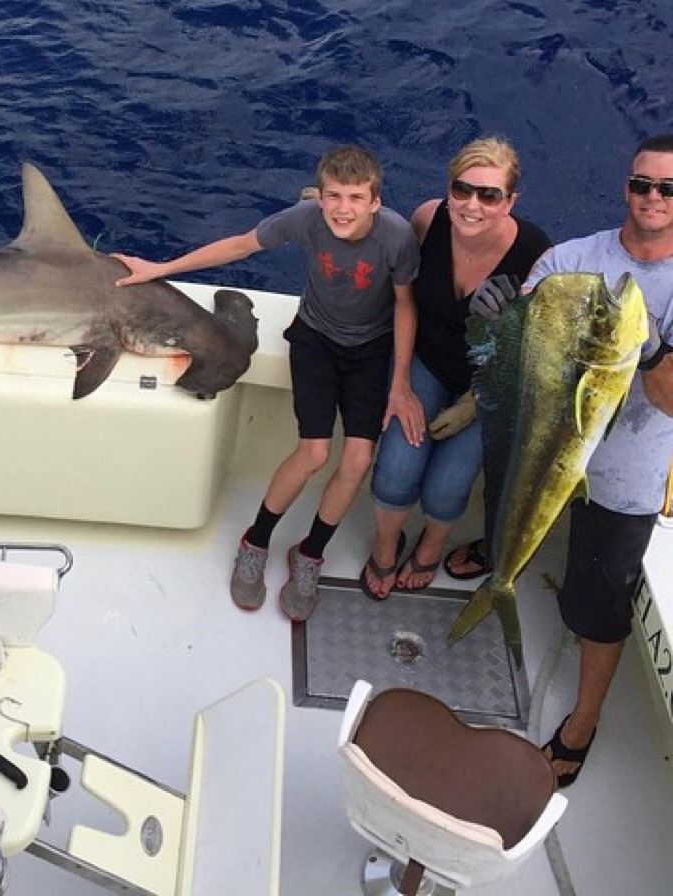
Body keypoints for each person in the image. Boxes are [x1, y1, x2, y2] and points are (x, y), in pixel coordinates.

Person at [114, 145, 424, 621]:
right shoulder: (305, 219)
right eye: (334, 196)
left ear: (375, 202)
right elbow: (241, 245)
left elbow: (405, 304)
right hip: (315, 340)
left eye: (356, 198)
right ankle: (255, 541)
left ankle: (310, 553)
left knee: (358, 460)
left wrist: (399, 382)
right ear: (320, 196)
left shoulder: (397, 237)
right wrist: (161, 268)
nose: (343, 208)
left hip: (370, 351)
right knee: (313, 453)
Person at [471, 135, 673, 787]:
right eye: (642, 184)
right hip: (543, 444)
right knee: (505, 512)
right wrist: (497, 317)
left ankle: (581, 724)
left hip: (627, 478)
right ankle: (499, 560)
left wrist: (647, 353)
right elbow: (513, 350)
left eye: (668, 189)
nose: (653, 197)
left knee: (595, 609)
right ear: (626, 186)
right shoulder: (570, 257)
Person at [361, 139, 550, 598]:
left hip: (491, 384)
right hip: (425, 362)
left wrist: (476, 401)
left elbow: (536, 348)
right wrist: (399, 384)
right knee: (396, 469)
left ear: (510, 201)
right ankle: (386, 544)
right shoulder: (428, 219)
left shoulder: (535, 254)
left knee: (448, 485)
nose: (472, 205)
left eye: (489, 195)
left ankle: (430, 547)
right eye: (462, 190)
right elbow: (402, 296)